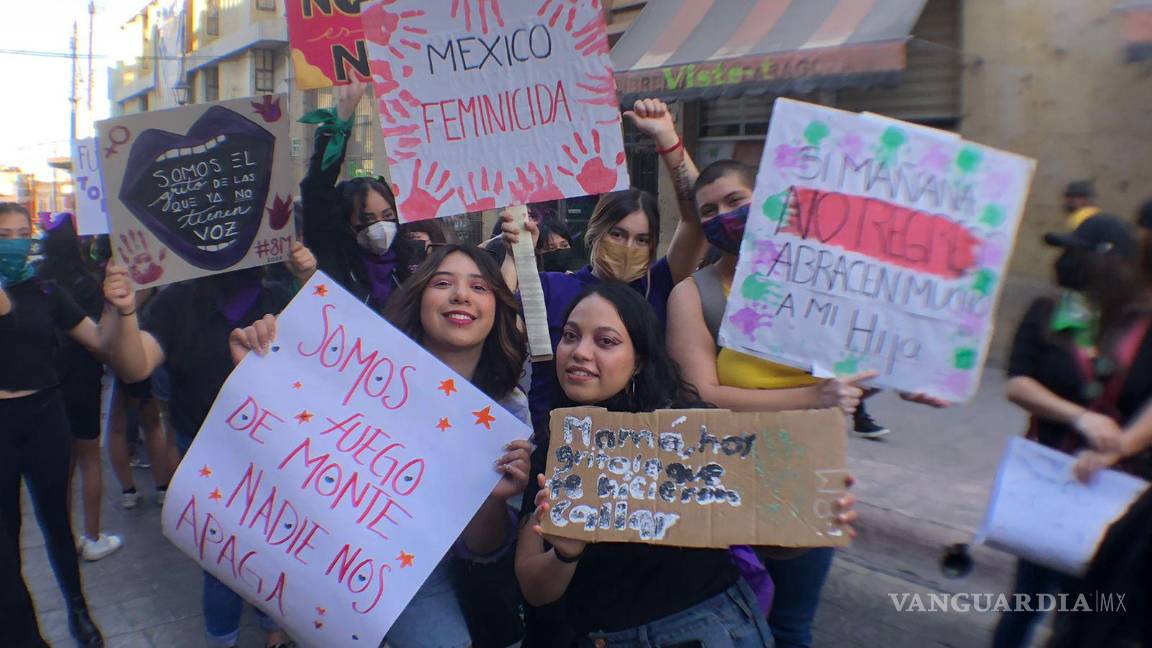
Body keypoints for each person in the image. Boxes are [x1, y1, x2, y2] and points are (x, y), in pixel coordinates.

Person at [666, 160, 945, 648]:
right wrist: (816, 397)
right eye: (709, 210)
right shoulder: (695, 294)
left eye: (736, 202)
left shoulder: (825, 279)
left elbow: (854, 372)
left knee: (792, 628)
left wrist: (907, 381)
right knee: (725, 623)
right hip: (726, 478)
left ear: (768, 197)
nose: (724, 217)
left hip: (811, 477)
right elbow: (703, 394)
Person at [515, 282, 857, 646]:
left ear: (639, 361)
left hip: (711, 629)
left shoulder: (691, 433)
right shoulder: (555, 445)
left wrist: (811, 518)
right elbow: (535, 589)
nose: (580, 352)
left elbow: (775, 544)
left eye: (606, 341)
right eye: (570, 336)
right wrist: (565, 555)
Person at [232, 245, 534, 647]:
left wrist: (490, 500)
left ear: (496, 308)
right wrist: (260, 363)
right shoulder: (354, 368)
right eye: (443, 283)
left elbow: (485, 549)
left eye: (478, 287)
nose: (461, 294)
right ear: (419, 299)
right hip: (338, 569)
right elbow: (290, 449)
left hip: (435, 582)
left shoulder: (509, 409)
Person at [101, 243, 317, 648]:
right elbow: (135, 366)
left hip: (273, 457)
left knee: (273, 550)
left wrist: (307, 278)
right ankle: (224, 639)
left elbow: (324, 351)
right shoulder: (175, 304)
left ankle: (275, 633)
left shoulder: (279, 296)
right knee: (222, 561)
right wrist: (125, 309)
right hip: (204, 454)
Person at [501, 98, 709, 430]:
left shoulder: (660, 286)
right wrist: (517, 255)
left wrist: (667, 138)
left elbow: (700, 216)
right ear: (595, 233)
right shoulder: (552, 287)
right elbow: (496, 329)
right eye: (618, 234)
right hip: (550, 443)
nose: (629, 247)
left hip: (635, 444)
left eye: (642, 240)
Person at [993, 214, 1152, 647]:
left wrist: (1117, 447)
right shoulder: (1054, 310)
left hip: (1118, 489)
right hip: (1049, 478)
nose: (1066, 262)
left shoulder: (1142, 324)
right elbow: (1018, 381)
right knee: (1025, 602)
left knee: (1092, 611)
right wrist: (1077, 416)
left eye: (1077, 252)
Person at [0, 202, 105, 646]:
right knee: (6, 538)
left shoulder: (45, 290)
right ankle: (21, 630)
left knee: (56, 522)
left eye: (24, 232)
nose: (16, 241)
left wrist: (124, 308)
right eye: (5, 233)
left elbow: (99, 341)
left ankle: (78, 611)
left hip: (45, 416)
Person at [38, 214, 125, 561]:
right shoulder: (87, 283)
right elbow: (98, 339)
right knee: (90, 460)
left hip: (49, 383)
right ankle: (92, 536)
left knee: (64, 464)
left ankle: (65, 535)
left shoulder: (38, 280)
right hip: (83, 379)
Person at [299, 81, 426, 311]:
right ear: (348, 223)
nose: (381, 227)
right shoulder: (335, 258)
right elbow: (316, 188)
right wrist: (341, 120)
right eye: (368, 220)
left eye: (387, 216)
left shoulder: (414, 260)